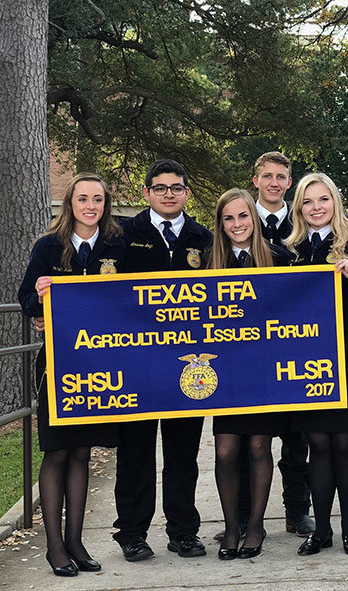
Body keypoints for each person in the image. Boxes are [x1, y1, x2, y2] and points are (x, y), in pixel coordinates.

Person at [18, 173, 124, 576]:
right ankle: (54, 547)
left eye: (98, 199)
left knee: (83, 450)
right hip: (59, 364)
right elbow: (26, 300)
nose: (91, 206)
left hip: (100, 365)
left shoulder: (116, 245)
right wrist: (40, 294)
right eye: (83, 198)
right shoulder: (48, 246)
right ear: (70, 203)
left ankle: (77, 541)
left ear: (105, 204)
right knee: (58, 449)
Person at [113, 159, 213, 561]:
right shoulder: (121, 235)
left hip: (186, 365)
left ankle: (183, 531)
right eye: (160, 187)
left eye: (176, 187)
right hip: (136, 363)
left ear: (187, 193)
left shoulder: (203, 238)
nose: (168, 193)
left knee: (182, 453)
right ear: (146, 193)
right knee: (134, 451)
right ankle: (132, 533)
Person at [288, 173, 348, 557]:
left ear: (335, 202)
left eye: (323, 199)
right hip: (308, 357)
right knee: (317, 445)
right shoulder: (290, 249)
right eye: (308, 201)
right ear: (300, 208)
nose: (316, 207)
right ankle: (322, 530)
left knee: (346, 443)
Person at [206, 188, 292, 560]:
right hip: (225, 371)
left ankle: (255, 525)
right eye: (229, 218)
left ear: (253, 219)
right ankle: (230, 526)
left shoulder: (279, 258)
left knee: (259, 445)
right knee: (225, 450)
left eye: (243, 216)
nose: (237, 224)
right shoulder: (210, 263)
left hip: (264, 369)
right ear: (221, 224)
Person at [250, 151, 315, 537]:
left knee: (296, 438)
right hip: (249, 347)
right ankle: (244, 514)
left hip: (294, 345)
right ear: (256, 180)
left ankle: (297, 510)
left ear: (289, 183)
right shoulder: (238, 219)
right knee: (250, 441)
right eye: (267, 176)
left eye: (281, 177)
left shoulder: (302, 220)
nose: (274, 183)